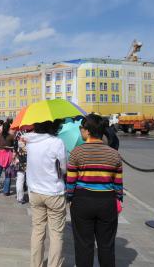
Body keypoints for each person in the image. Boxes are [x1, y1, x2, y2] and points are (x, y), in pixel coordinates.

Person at [67, 114, 123, 267]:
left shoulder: (77, 152)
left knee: (83, 245)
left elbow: (70, 182)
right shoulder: (114, 154)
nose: (80, 131)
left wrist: (70, 199)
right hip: (107, 202)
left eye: (81, 128)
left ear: (87, 131)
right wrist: (118, 200)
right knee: (106, 246)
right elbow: (118, 184)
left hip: (82, 201)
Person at [24, 120, 67, 267]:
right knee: (56, 234)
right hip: (53, 191)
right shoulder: (56, 142)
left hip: (35, 191)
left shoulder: (29, 141)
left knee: (37, 230)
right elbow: (64, 168)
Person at [0, 122, 14, 195]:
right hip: (8, 155)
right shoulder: (11, 136)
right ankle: (6, 191)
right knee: (8, 174)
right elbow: (13, 145)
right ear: (9, 128)